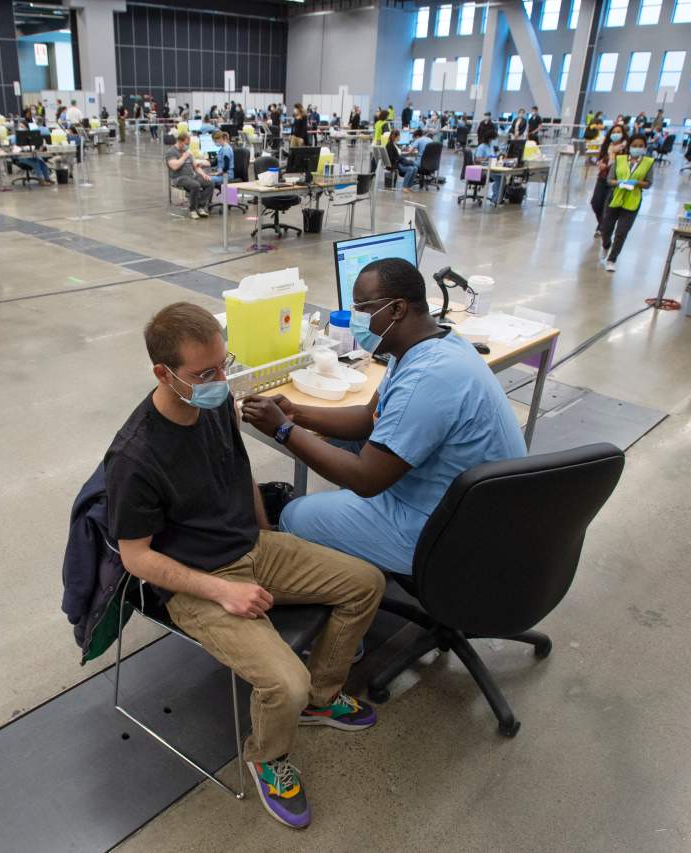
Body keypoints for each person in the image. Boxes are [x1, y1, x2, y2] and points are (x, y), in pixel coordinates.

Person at [108, 302, 384, 830]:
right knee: (286, 681)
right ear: (162, 374)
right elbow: (136, 557)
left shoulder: (214, 406)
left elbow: (241, 472)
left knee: (365, 584)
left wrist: (268, 535)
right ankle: (266, 756)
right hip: (198, 582)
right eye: (204, 373)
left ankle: (323, 699)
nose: (219, 380)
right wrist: (222, 592)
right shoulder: (135, 458)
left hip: (251, 545)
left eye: (223, 364)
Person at [240, 258, 525, 576]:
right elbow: (367, 417)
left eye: (363, 307)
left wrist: (283, 429)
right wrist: (295, 413)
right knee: (343, 444)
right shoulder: (427, 344)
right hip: (473, 506)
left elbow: (366, 480)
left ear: (397, 309)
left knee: (297, 515)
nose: (356, 317)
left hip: (450, 531)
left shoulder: (428, 375)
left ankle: (351, 579)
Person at [599, 133, 654, 273]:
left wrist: (636, 183)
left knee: (621, 232)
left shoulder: (648, 163)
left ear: (645, 147)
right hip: (615, 196)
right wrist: (618, 182)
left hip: (632, 200)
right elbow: (609, 179)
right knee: (606, 227)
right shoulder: (620, 159)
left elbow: (648, 183)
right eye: (634, 146)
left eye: (640, 146)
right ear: (629, 146)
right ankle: (606, 245)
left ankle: (612, 259)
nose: (637, 148)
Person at [165, 130, 213, 219]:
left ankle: (201, 206)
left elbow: (195, 167)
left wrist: (203, 174)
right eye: (186, 143)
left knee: (209, 183)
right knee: (195, 185)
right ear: (180, 141)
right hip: (179, 178)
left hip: (191, 176)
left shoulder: (187, 151)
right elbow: (174, 166)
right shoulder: (171, 152)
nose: (187, 146)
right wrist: (184, 156)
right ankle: (192, 209)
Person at [591, 124, 627, 236]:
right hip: (602, 178)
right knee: (595, 204)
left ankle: (602, 228)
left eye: (618, 132)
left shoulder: (624, 149)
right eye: (614, 132)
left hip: (614, 181)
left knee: (607, 206)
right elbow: (600, 158)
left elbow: (622, 165)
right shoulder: (607, 146)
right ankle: (603, 225)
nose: (616, 134)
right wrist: (600, 163)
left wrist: (608, 165)